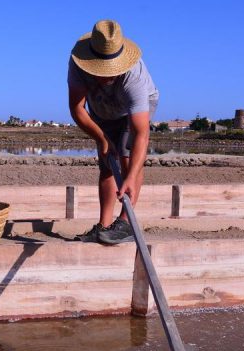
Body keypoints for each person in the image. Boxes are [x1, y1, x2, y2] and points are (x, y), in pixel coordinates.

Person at [68, 20, 159, 244]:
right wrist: (101, 139)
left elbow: (140, 134)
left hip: (134, 112)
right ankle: (104, 226)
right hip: (101, 109)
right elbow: (77, 109)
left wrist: (129, 177)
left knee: (126, 157)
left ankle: (126, 223)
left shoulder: (134, 78)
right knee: (107, 163)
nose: (107, 76)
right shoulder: (78, 65)